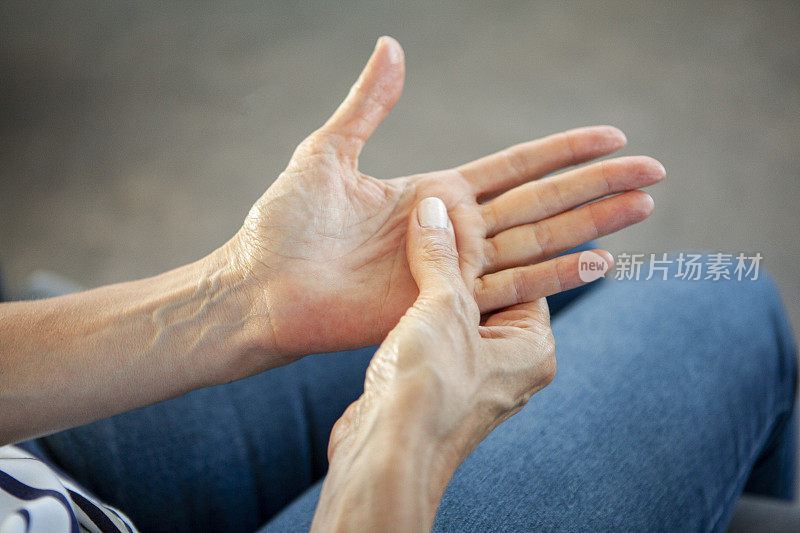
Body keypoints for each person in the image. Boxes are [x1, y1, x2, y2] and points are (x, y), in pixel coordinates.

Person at [0, 36, 795, 532]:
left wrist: (241, 294)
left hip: (33, 461)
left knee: (551, 283)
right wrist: (399, 446)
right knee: (720, 295)